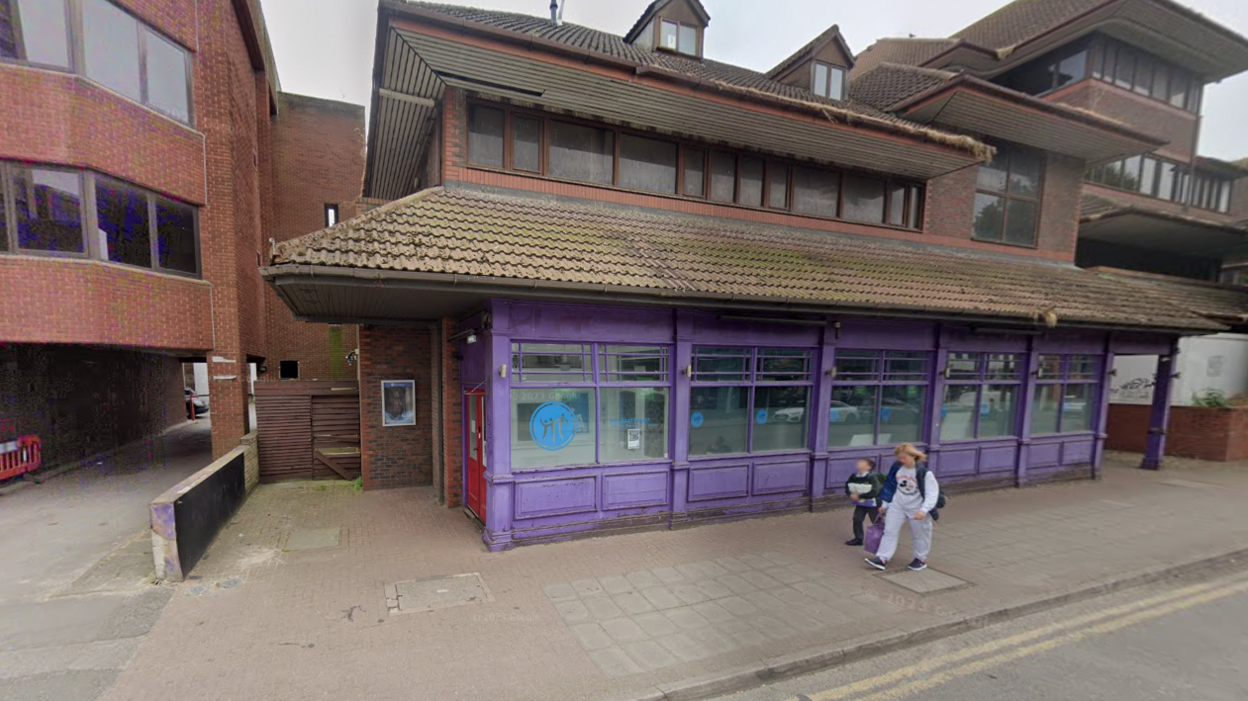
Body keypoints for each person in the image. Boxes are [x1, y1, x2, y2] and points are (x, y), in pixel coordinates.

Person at [865, 443, 939, 572]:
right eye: (899, 457)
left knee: (920, 534)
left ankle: (920, 559)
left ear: (913, 456)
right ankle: (882, 558)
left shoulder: (924, 473)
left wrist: (924, 510)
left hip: (916, 507)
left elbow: (932, 493)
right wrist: (885, 504)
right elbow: (890, 486)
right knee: (889, 531)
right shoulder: (897, 468)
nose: (901, 460)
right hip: (897, 505)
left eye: (903, 457)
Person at [844, 458, 883, 546]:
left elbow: (875, 491)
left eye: (862, 463)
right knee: (857, 518)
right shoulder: (854, 476)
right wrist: (850, 494)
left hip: (872, 503)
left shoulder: (872, 477)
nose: (859, 463)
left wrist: (859, 496)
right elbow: (848, 485)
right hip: (861, 503)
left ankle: (881, 539)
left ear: (868, 467)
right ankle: (858, 538)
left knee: (875, 520)